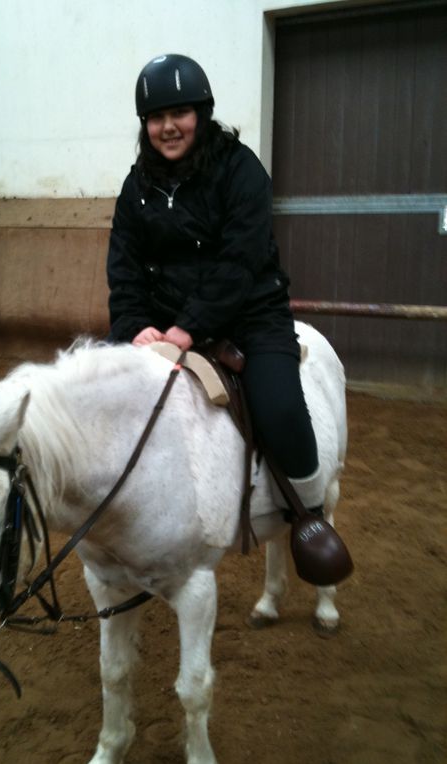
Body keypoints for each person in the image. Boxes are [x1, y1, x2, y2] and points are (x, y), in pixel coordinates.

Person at [107, 53, 324, 520]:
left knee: (281, 409)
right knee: (101, 390)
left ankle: (310, 514)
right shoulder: (135, 186)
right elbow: (123, 268)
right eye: (157, 117)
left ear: (201, 116)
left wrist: (190, 326)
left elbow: (239, 263)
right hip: (163, 323)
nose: (168, 127)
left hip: (250, 314)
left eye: (179, 114)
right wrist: (134, 324)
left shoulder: (241, 170)